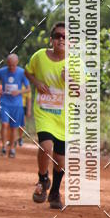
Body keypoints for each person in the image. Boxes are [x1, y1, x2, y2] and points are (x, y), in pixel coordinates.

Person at [25, 23, 67, 208]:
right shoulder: (40, 56)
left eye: (65, 37)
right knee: (46, 147)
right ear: (51, 39)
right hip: (44, 113)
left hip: (66, 117)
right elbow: (28, 71)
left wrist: (72, 82)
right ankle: (43, 179)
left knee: (60, 160)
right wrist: (36, 82)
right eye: (58, 36)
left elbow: (84, 90)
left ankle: (55, 193)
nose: (61, 40)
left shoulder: (75, 63)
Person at [0, 54, 31, 158]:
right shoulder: (1, 71)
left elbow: (28, 89)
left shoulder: (22, 72)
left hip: (17, 104)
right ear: (7, 63)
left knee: (14, 127)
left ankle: (12, 148)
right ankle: (3, 147)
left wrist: (19, 91)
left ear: (17, 63)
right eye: (9, 65)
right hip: (5, 102)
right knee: (4, 124)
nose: (11, 67)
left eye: (13, 65)